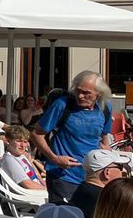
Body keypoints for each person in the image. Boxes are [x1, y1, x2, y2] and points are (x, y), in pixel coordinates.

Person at [32, 70, 113, 204]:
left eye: (86, 93)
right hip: (63, 176)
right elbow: (36, 134)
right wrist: (55, 158)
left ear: (99, 93)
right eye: (78, 90)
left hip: (92, 178)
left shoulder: (105, 108)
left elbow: (105, 141)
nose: (80, 96)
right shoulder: (62, 105)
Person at [67, 148, 130, 218]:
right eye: (120, 167)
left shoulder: (81, 191)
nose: (123, 171)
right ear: (107, 172)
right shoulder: (107, 200)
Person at [0, 124, 45, 191]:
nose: (23, 145)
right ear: (8, 141)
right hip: (30, 194)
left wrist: (44, 184)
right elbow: (28, 185)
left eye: (25, 142)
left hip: (37, 188)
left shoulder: (20, 156)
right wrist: (49, 190)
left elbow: (36, 176)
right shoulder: (9, 160)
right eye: (18, 141)